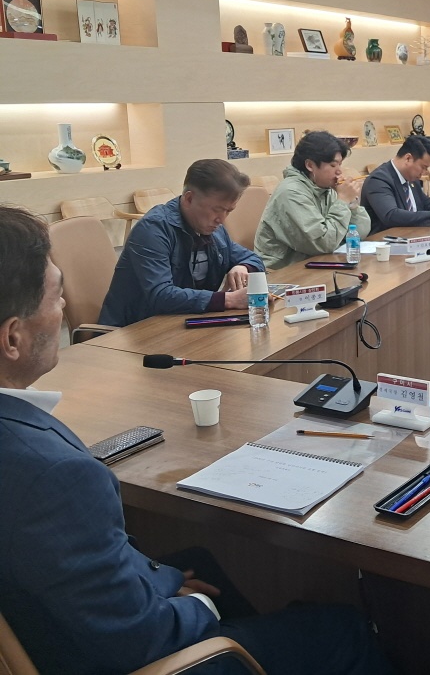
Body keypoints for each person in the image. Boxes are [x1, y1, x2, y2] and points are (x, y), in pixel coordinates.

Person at [0, 205, 391, 675]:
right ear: (13, 339)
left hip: (54, 619)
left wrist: (160, 585)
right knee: (340, 629)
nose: (62, 308)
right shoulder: (53, 477)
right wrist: (199, 609)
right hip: (128, 656)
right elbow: (142, 641)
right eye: (56, 297)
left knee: (202, 562)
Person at [99, 159, 264, 327]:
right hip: (133, 330)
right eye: (217, 209)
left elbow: (254, 259)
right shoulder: (153, 230)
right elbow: (161, 295)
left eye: (228, 211)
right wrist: (228, 300)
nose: (221, 219)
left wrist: (242, 267)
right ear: (189, 199)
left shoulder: (214, 230)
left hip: (180, 323)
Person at [255, 131, 371, 269]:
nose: (339, 171)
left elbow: (361, 232)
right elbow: (323, 243)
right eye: (333, 165)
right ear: (310, 165)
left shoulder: (326, 187)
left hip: (317, 262)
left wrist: (352, 205)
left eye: (340, 165)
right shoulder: (290, 193)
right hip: (284, 271)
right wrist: (342, 201)